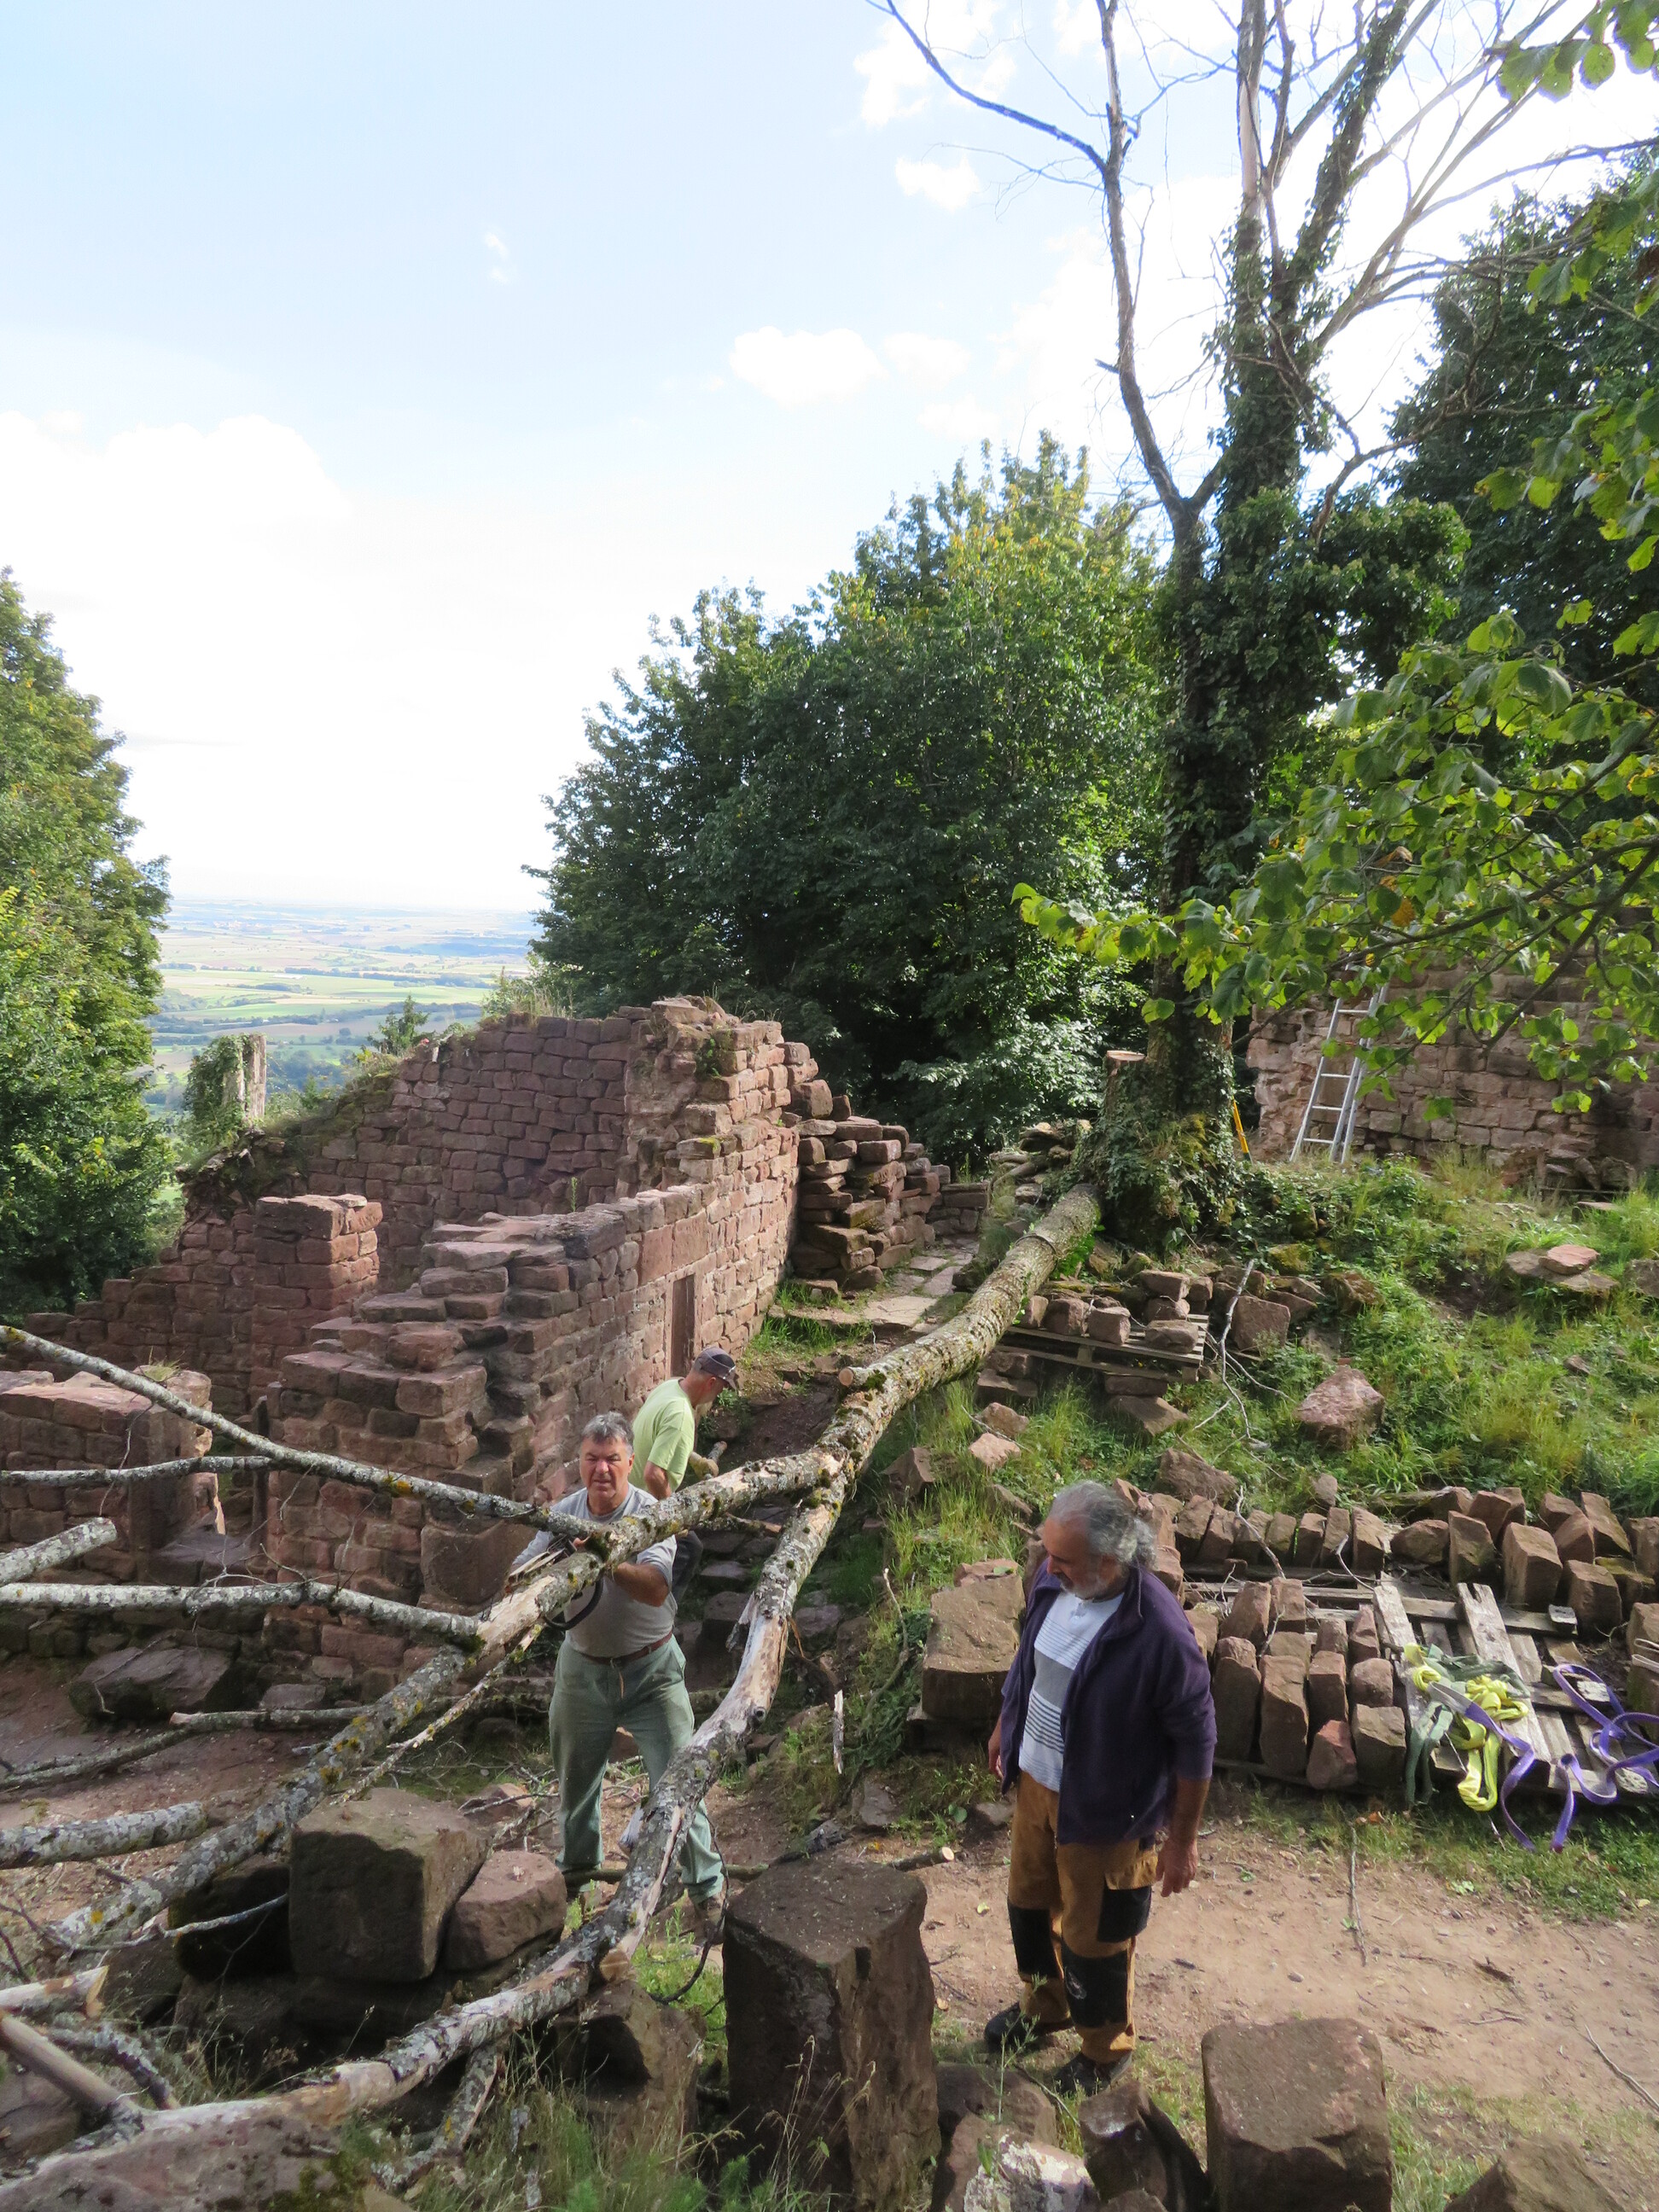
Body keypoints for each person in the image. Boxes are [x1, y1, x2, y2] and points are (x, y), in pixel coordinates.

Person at [984, 1480, 1215, 2096]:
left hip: (1108, 1814)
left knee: (1097, 1938)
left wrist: (1182, 1842)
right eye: (1048, 1553)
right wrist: (1007, 1721)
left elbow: (1197, 1743)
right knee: (1030, 1907)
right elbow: (1030, 1659)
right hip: (1037, 1786)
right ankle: (1045, 2007)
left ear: (1109, 1561)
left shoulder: (1160, 1633)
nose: (1047, 1567)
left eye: (1062, 1558)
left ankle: (1104, 2050)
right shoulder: (1054, 1582)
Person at [545, 1411, 725, 1930]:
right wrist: (545, 1571)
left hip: (653, 1673)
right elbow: (520, 1573)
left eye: (612, 1460)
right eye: (591, 1459)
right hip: (581, 1673)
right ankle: (577, 1882)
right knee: (575, 1787)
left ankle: (707, 1891)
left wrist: (603, 1561)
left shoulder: (652, 1514)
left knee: (680, 1783)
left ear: (629, 1462)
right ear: (580, 1463)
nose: (601, 1470)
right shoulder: (563, 1514)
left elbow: (654, 1587)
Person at [632, 1347, 738, 1499]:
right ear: (711, 1383)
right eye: (721, 1389)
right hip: (639, 1503)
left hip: (626, 1489)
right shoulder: (680, 1415)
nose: (719, 1394)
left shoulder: (670, 1386)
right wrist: (672, 1508)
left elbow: (659, 1439)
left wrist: (695, 1459)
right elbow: (653, 1475)